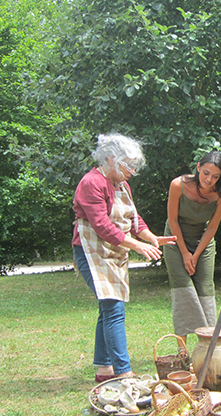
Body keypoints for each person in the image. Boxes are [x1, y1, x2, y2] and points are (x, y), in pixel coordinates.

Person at [72, 134, 176, 383]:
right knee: (113, 308)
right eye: (128, 164)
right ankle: (123, 372)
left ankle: (103, 369)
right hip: (91, 251)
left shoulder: (122, 185)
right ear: (111, 159)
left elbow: (133, 220)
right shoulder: (91, 183)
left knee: (108, 307)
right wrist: (137, 247)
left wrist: (150, 237)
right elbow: (103, 227)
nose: (132, 171)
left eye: (133, 166)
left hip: (115, 251)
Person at [163, 151, 221, 343]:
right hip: (174, 240)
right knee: (183, 290)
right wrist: (184, 253)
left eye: (215, 176)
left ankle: (208, 345)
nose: (209, 179)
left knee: (205, 289)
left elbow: (212, 227)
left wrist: (195, 255)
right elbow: (172, 220)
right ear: (198, 167)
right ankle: (182, 349)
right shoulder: (177, 185)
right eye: (206, 173)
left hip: (202, 243)